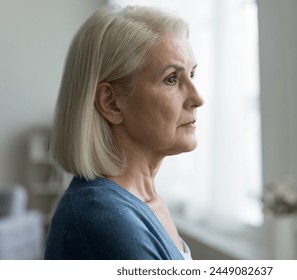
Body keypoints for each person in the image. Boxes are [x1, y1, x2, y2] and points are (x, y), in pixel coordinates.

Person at [44, 5, 204, 260]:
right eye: (171, 79)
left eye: (193, 75)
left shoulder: (142, 201)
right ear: (111, 102)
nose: (198, 98)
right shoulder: (104, 217)